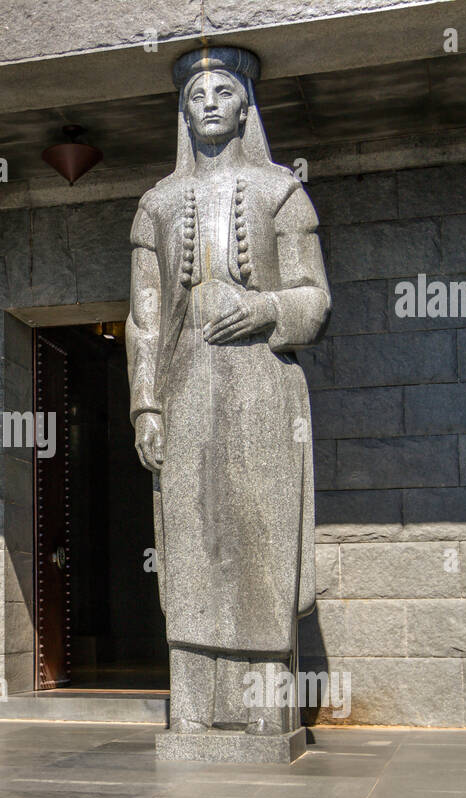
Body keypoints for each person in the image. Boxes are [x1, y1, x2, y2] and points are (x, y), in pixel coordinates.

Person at [126, 48, 331, 736]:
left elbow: (315, 301)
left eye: (223, 91)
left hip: (260, 385)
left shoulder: (281, 192)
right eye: (196, 94)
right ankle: (194, 711)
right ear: (182, 111)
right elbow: (145, 317)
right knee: (193, 548)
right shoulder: (155, 204)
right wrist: (145, 404)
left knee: (255, 542)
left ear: (246, 105)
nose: (209, 102)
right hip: (185, 389)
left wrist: (266, 309)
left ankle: (263, 712)